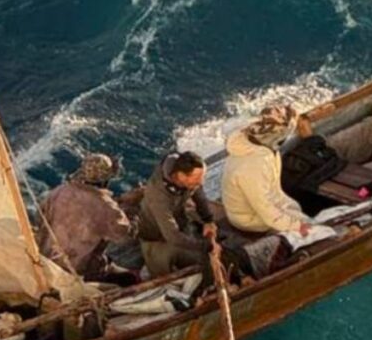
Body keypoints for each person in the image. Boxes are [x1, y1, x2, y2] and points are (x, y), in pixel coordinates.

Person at [37, 153, 135, 285]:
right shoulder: (106, 206)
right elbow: (124, 235)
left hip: (46, 263)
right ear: (106, 179)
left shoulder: (59, 191)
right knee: (130, 278)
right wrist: (131, 210)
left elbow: (41, 216)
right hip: (78, 272)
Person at [222, 105, 313, 237]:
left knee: (297, 209)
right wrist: (297, 226)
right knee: (310, 229)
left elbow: (273, 192)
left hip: (260, 208)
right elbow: (264, 208)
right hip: (248, 219)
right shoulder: (255, 164)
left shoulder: (260, 147)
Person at [137, 150, 217, 278]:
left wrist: (208, 219)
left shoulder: (189, 176)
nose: (200, 183)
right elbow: (172, 236)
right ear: (180, 175)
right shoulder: (158, 195)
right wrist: (207, 246)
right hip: (156, 238)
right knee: (163, 276)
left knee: (201, 261)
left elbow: (199, 195)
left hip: (179, 223)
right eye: (196, 179)